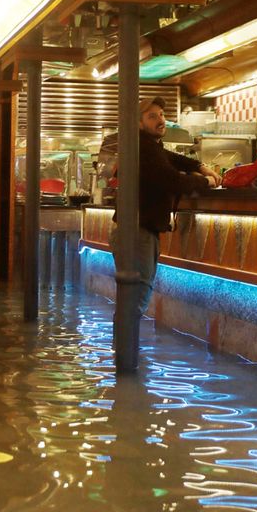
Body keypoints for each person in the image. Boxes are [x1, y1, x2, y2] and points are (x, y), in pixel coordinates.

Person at [110, 96, 220, 356]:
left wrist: (199, 166)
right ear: (139, 123)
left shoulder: (147, 146)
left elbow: (169, 158)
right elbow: (173, 181)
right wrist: (206, 182)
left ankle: (123, 360)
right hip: (137, 232)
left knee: (131, 299)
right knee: (136, 299)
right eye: (152, 116)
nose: (160, 120)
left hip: (135, 230)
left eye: (161, 114)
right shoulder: (144, 148)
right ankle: (125, 365)